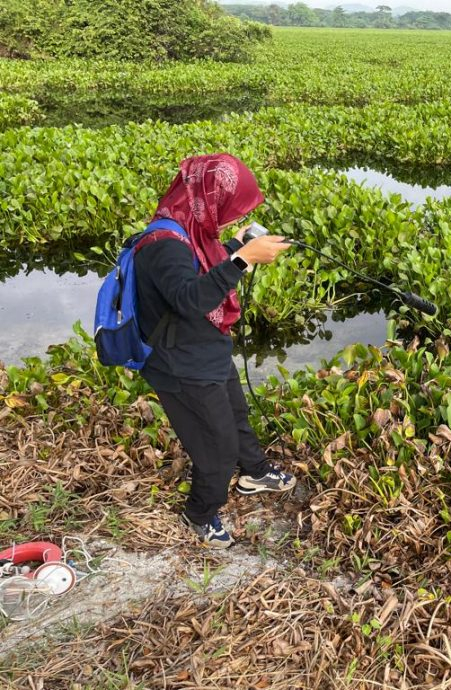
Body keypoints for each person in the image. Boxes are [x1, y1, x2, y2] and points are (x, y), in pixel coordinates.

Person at [134, 153, 295, 548]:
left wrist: (234, 245)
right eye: (227, 207)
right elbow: (190, 299)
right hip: (180, 365)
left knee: (236, 415)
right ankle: (200, 513)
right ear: (207, 197)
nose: (226, 216)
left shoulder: (188, 226)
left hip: (204, 349)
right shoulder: (162, 242)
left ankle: (254, 472)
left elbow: (196, 269)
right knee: (217, 449)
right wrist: (241, 260)